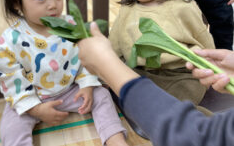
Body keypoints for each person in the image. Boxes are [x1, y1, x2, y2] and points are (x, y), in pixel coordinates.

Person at [0, 0, 129, 146]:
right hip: (32, 98)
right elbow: (9, 78)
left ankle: (115, 140)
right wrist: (35, 109)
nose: (53, 5)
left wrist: (87, 84)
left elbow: (86, 58)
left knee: (102, 95)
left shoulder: (69, 25)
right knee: (10, 125)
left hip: (69, 90)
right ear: (16, 3)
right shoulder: (10, 41)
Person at [78, 22, 234, 146]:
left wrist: (108, 66)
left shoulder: (183, 8)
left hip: (177, 79)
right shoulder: (127, 11)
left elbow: (195, 137)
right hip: (145, 77)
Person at [110, 0, 215, 116]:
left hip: (181, 76)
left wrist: (212, 68)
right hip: (144, 74)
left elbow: (203, 39)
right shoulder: (127, 10)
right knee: (125, 90)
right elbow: (114, 47)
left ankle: (201, 122)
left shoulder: (183, 7)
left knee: (170, 105)